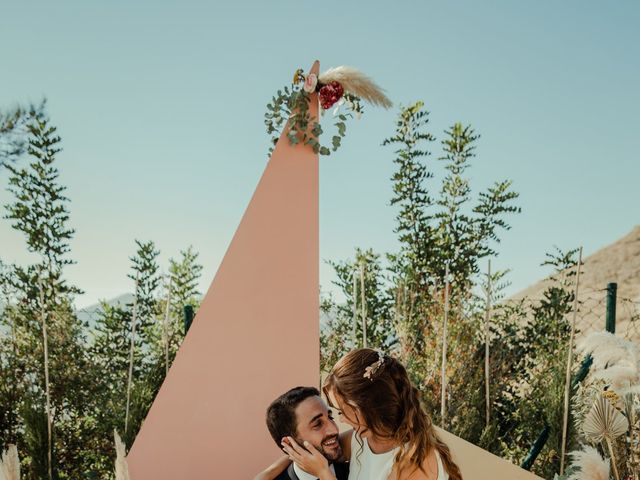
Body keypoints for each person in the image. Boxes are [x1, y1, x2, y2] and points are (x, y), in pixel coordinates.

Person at [257, 349, 462, 480]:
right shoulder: (362, 440)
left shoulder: (416, 461)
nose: (341, 421)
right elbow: (319, 450)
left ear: (369, 407)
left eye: (344, 412)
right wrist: (267, 475)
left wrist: (323, 475)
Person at [263, 386, 350, 480]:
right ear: (289, 443)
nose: (334, 430)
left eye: (330, 417)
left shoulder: (357, 471)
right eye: (317, 424)